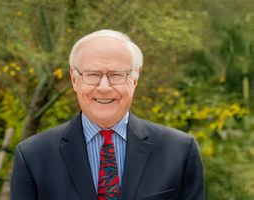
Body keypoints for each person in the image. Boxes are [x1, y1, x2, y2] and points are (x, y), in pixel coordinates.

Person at [11, 29, 205, 200]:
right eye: (92, 74)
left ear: (135, 79)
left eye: (116, 74)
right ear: (74, 79)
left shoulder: (180, 152)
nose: (104, 87)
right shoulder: (33, 157)